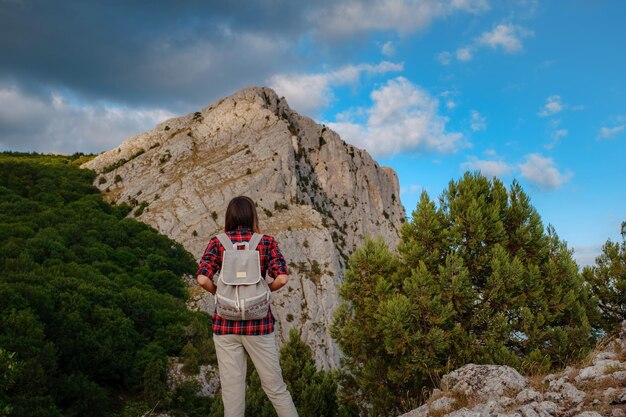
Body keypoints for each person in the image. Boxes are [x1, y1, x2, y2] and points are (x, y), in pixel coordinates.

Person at [196, 196, 298, 417]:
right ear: (253, 215)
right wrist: (264, 292)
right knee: (276, 389)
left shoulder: (217, 242)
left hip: (225, 326)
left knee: (232, 394)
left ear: (229, 217)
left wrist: (218, 293)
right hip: (259, 325)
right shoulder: (266, 242)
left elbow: (203, 279)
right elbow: (282, 278)